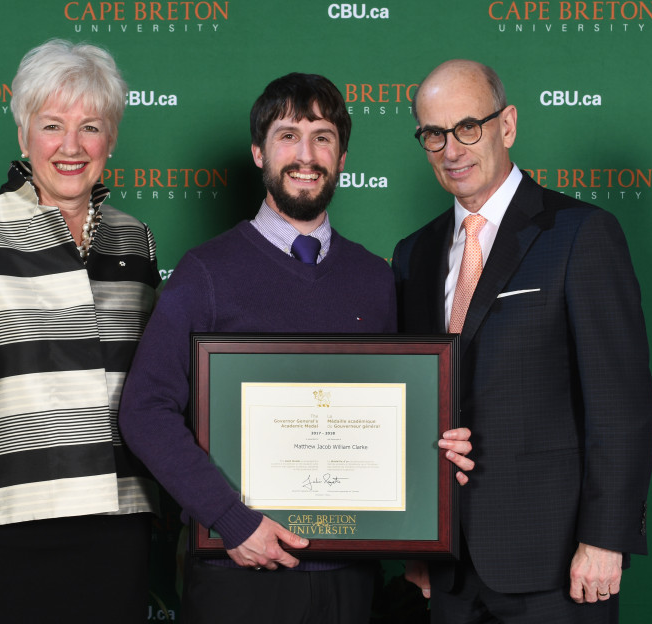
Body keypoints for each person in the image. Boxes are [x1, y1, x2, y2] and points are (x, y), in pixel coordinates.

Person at [118, 72, 474, 624]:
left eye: (322, 137)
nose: (305, 155)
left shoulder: (374, 278)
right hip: (238, 574)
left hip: (352, 579)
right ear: (259, 151)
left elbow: (401, 415)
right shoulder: (205, 272)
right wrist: (231, 520)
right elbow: (144, 410)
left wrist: (420, 527)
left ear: (343, 156)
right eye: (288, 136)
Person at [0, 39, 161, 623]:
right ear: (23, 135)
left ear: (111, 138)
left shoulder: (135, 239)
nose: (71, 147)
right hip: (1, 534)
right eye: (51, 125)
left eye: (90, 127)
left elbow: (151, 394)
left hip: (116, 530)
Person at [393, 59, 652, 623]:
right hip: (448, 569)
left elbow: (622, 406)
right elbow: (414, 404)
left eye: (468, 127)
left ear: (506, 125)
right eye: (433, 134)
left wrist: (606, 540)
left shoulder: (581, 234)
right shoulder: (412, 254)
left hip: (558, 566)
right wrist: (417, 541)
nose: (452, 149)